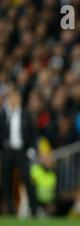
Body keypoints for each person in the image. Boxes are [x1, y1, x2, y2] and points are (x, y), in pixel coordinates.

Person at [0, 88, 38, 217]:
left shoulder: (26, 115)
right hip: (7, 152)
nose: (12, 100)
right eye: (10, 98)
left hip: (22, 152)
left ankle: (34, 210)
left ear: (19, 99)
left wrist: (32, 150)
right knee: (6, 181)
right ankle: (10, 210)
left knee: (27, 181)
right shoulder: (4, 115)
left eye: (15, 97)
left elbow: (33, 134)